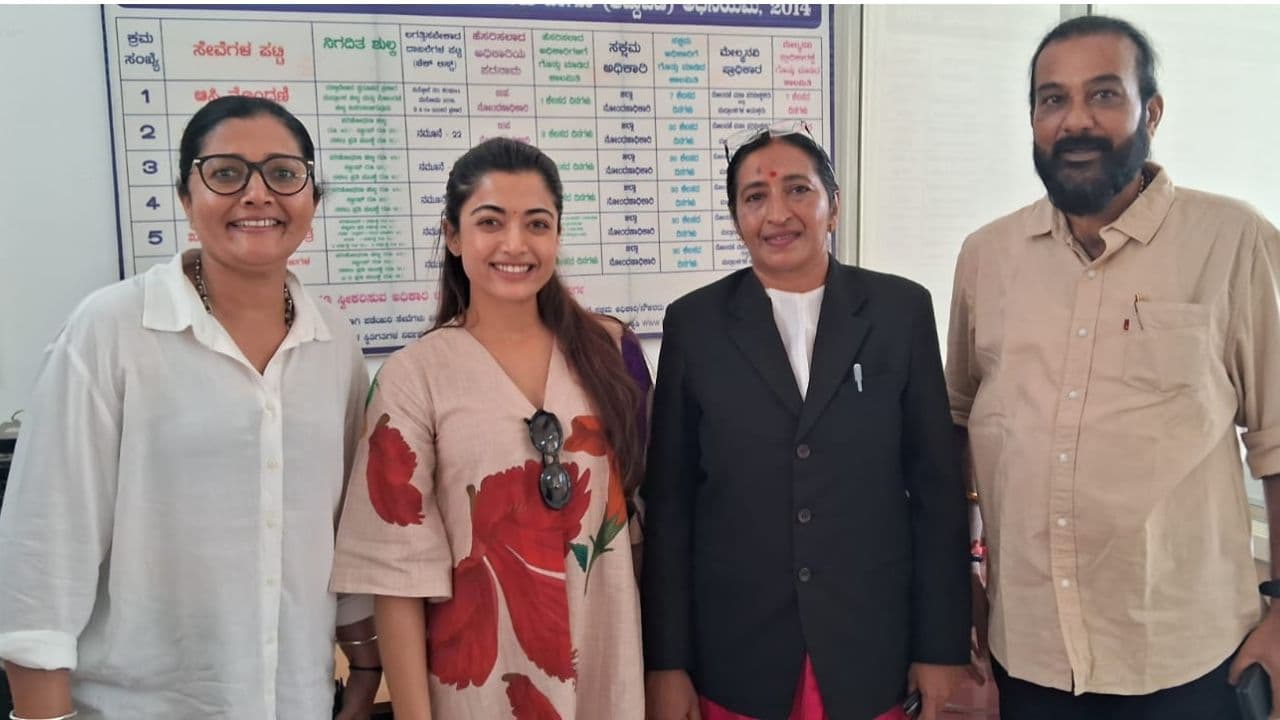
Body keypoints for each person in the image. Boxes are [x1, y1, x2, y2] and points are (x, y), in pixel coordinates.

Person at [0, 96, 381, 719]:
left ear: (312, 197)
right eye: (226, 173)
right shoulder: (112, 329)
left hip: (297, 700)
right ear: (185, 196)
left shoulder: (334, 341)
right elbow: (44, 545)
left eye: (283, 174)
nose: (257, 194)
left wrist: (364, 663)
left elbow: (344, 525)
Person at [947, 15, 1280, 719]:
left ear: (1150, 112)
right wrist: (960, 571)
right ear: (1033, 120)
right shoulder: (986, 257)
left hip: (1187, 655)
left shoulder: (1233, 241)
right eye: (1053, 100)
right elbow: (957, 426)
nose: (1075, 120)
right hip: (1029, 652)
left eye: (1103, 94)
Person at [641, 122, 970, 720]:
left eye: (798, 189)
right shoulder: (695, 325)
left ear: (833, 206)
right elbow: (671, 505)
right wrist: (667, 663)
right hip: (737, 653)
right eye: (755, 197)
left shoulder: (899, 312)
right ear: (736, 217)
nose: (778, 214)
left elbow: (936, 493)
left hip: (869, 646)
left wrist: (940, 647)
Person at [330, 137, 650, 719]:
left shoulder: (611, 352)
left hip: (609, 673)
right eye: (490, 222)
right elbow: (398, 578)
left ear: (557, 234)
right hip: (479, 688)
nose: (515, 244)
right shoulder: (414, 377)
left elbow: (648, 527)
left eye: (537, 224)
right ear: (453, 236)